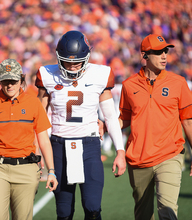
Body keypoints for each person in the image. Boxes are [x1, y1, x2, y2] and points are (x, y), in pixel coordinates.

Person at [35, 30, 126, 220]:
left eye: (77, 61)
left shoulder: (100, 74)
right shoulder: (47, 74)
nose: (72, 66)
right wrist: (37, 152)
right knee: (64, 211)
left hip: (89, 145)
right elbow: (39, 118)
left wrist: (120, 151)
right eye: (67, 61)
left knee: (92, 208)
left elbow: (110, 116)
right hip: (58, 145)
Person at [118, 34, 192, 220]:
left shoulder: (178, 82)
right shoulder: (128, 85)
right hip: (138, 158)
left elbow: (188, 121)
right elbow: (124, 119)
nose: (164, 55)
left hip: (169, 155)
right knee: (143, 215)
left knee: (167, 209)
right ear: (145, 55)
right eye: (158, 52)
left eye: (166, 51)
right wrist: (106, 126)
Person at [0, 59, 58, 220]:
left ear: (22, 79)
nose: (9, 85)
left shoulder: (34, 104)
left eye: (13, 81)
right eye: (5, 81)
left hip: (26, 169)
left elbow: (43, 140)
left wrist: (51, 171)